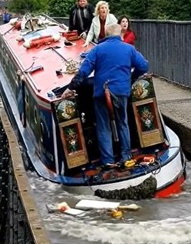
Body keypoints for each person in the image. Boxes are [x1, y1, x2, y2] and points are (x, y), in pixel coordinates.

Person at [62, 23, 149, 168]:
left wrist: (70, 88)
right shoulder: (129, 49)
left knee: (103, 126)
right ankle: (126, 157)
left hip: (101, 92)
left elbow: (83, 72)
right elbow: (144, 66)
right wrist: (132, 78)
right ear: (120, 34)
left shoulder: (97, 49)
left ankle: (107, 160)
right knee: (123, 123)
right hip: (121, 91)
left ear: (105, 36)